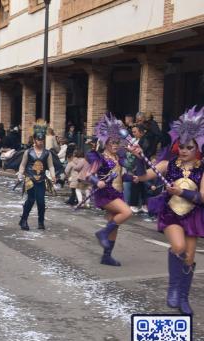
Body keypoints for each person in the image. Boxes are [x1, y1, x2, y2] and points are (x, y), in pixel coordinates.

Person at [131, 106, 204, 315]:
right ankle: (173, 288)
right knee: (179, 247)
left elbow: (202, 197)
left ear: (197, 148)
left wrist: (182, 192)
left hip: (193, 215)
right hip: (172, 213)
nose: (184, 150)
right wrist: (138, 156)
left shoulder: (202, 169)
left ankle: (183, 297)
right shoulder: (169, 164)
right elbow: (143, 175)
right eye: (181, 146)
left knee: (189, 258)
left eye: (189, 147)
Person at [87, 114, 133, 266]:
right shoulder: (100, 158)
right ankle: (103, 233)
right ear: (106, 143)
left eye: (117, 142)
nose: (115, 144)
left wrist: (133, 177)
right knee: (127, 212)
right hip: (105, 194)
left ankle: (106, 256)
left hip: (117, 193)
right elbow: (89, 175)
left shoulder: (118, 158)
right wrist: (97, 181)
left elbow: (127, 171)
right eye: (112, 142)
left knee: (115, 226)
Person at [18, 120, 56, 230]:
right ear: (34, 140)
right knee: (30, 200)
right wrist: (20, 174)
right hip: (30, 179)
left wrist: (53, 176)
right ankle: (24, 220)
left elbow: (51, 166)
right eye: (38, 139)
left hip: (41, 180)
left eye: (42, 139)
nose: (41, 141)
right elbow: (22, 165)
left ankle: (41, 221)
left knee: (41, 202)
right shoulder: (28, 152)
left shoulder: (47, 153)